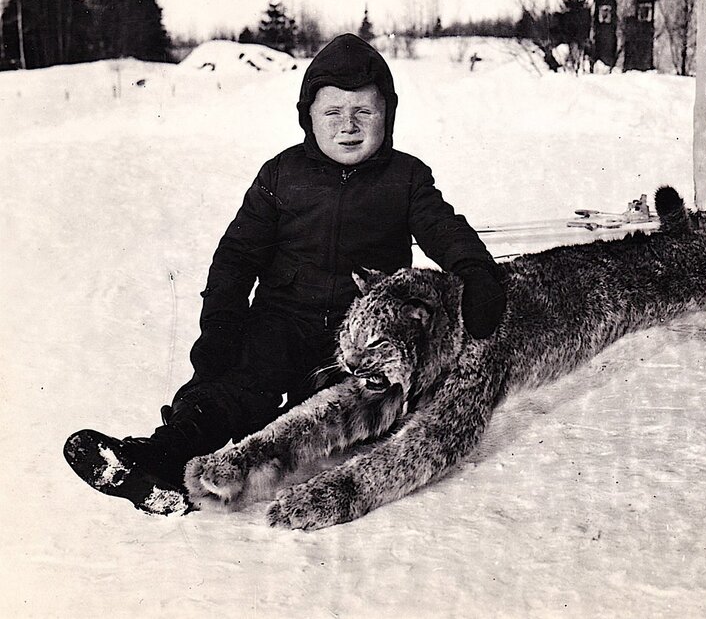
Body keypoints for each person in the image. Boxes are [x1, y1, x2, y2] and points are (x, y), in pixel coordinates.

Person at [65, 34, 506, 511]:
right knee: (236, 383)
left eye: (365, 111)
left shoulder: (407, 177)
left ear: (388, 115)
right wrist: (220, 325)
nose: (349, 127)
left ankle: (234, 466)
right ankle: (155, 457)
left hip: (361, 334)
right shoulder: (281, 174)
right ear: (309, 118)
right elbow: (236, 257)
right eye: (333, 112)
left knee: (326, 407)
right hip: (282, 317)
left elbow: (444, 229)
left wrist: (476, 272)